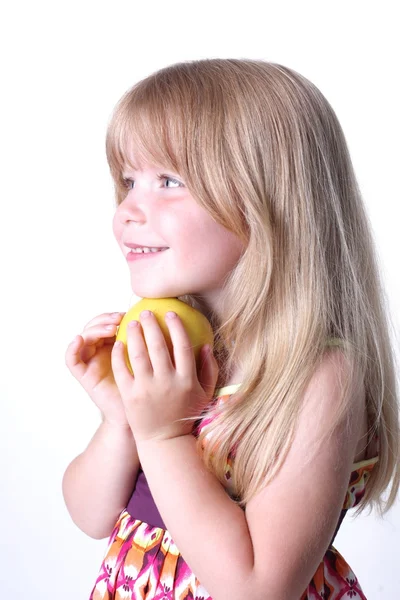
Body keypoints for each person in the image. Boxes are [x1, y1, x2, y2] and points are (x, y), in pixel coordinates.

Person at [62, 59, 400, 600]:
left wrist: (163, 434)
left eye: (168, 181)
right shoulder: (173, 340)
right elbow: (92, 515)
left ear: (269, 200)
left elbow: (259, 588)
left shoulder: (318, 373)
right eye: (128, 181)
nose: (127, 209)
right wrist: (121, 420)